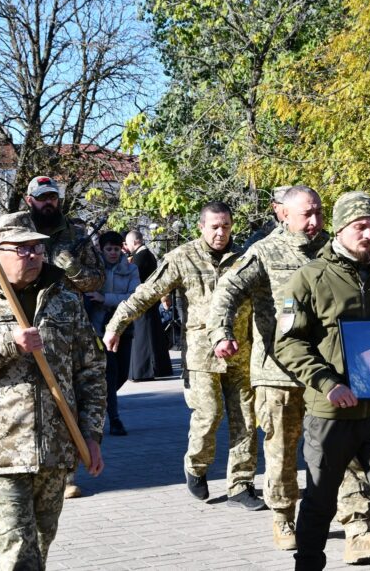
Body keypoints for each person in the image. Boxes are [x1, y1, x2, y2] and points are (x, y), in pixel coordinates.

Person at [208, 186, 370, 560]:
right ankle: (283, 515)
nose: (314, 222)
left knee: (343, 449)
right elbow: (226, 292)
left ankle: (358, 527)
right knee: (281, 450)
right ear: (282, 214)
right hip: (278, 373)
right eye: (306, 214)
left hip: (331, 371)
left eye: (319, 213)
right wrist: (220, 333)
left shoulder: (335, 248)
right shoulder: (263, 252)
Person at [276, 191, 370, 571]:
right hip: (332, 413)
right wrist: (327, 383)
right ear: (341, 228)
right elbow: (288, 343)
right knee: (319, 502)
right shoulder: (309, 278)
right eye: (361, 227)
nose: (369, 234)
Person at [0, 212, 105, 570]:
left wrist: (92, 434)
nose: (34, 255)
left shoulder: (64, 299)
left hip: (56, 450)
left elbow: (91, 370)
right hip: (1, 450)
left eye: (37, 247)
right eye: (22, 249)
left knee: (39, 548)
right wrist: (9, 344)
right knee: (18, 552)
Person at [104, 202, 264, 510]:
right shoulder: (182, 257)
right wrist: (116, 325)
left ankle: (241, 484)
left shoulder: (245, 259)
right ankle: (196, 466)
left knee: (246, 417)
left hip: (240, 352)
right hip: (202, 356)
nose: (221, 233)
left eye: (226, 226)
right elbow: (146, 293)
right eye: (215, 227)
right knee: (209, 414)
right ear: (202, 226)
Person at [23, 174, 104, 499]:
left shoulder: (77, 234)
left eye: (52, 197)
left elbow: (97, 280)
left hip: (67, 325)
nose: (48, 203)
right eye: (42, 198)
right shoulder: (19, 232)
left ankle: (66, 473)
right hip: (27, 320)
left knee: (67, 395)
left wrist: (71, 268)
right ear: (30, 200)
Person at [86, 231, 141, 436]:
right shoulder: (94, 270)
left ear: (122, 249)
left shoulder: (131, 268)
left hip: (124, 327)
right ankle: (115, 419)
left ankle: (103, 401)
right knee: (110, 372)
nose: (112, 253)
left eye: (116, 249)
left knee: (122, 374)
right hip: (99, 329)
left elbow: (133, 298)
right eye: (108, 249)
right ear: (101, 249)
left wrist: (105, 298)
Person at [123, 229, 172, 380]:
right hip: (148, 301)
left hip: (143, 301)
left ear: (135, 242)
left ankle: (144, 370)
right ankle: (155, 369)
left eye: (128, 243)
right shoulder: (145, 255)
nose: (127, 247)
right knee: (151, 335)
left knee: (144, 337)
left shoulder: (141, 257)